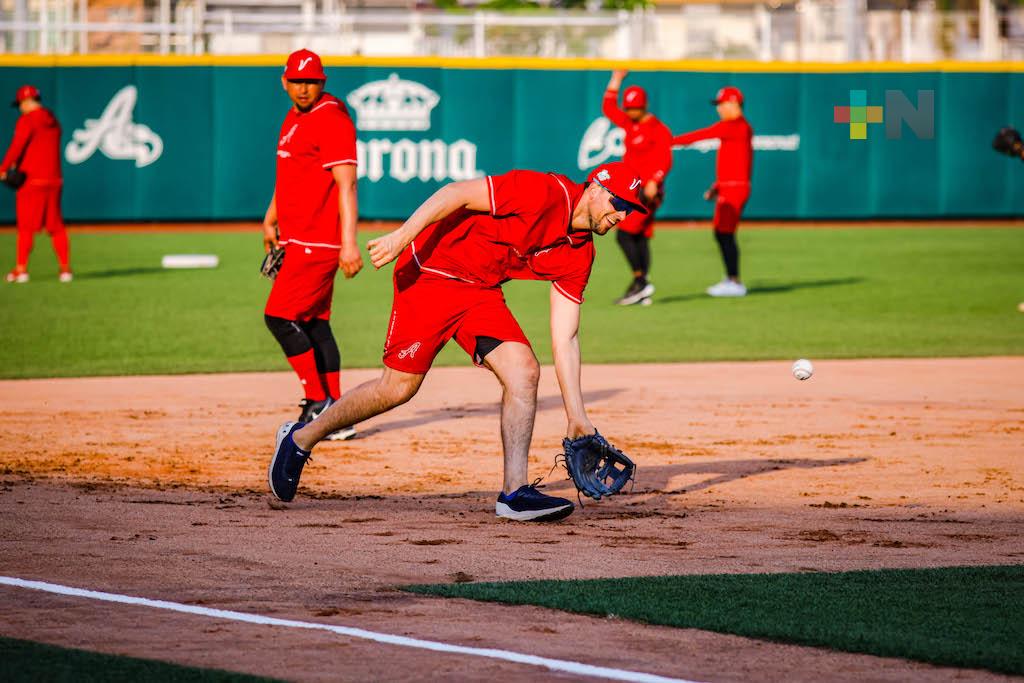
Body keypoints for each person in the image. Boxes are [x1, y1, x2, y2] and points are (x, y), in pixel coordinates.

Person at [268, 161, 649, 522]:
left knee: (524, 371)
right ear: (596, 188)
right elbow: (456, 193)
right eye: (619, 203)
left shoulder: (579, 254)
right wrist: (403, 237)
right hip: (430, 272)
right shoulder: (543, 191)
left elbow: (565, 337)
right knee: (398, 387)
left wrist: (577, 416)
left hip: (479, 291)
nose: (622, 216)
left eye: (630, 210)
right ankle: (300, 439)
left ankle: (514, 493)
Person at [262, 49, 363, 438]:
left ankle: (319, 402)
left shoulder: (331, 120)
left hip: (317, 242)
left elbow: (347, 184)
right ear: (284, 81)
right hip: (296, 236)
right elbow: (288, 175)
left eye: (312, 81)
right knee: (314, 322)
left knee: (279, 317)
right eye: (298, 81)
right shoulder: (294, 117)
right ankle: (337, 411)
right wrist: (272, 216)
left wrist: (348, 243)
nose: (304, 88)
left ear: (323, 82)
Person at [672, 86, 753, 298]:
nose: (719, 109)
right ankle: (731, 278)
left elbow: (701, 135)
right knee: (721, 233)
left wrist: (669, 141)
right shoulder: (736, 128)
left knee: (725, 234)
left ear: (734, 104)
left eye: (721, 104)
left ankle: (735, 282)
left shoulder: (736, 126)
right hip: (729, 186)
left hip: (735, 189)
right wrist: (716, 187)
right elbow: (735, 162)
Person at [602, 70, 674, 306]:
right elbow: (609, 108)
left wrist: (655, 180)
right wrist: (616, 80)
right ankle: (642, 285)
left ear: (644, 106)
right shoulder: (629, 122)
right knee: (640, 236)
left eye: (636, 108)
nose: (631, 112)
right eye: (629, 108)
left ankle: (640, 282)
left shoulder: (658, 128)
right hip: (633, 188)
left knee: (624, 234)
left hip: (648, 190)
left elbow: (665, 159)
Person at [1, 85, 70, 284]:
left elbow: (17, 146)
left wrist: (3, 168)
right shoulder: (52, 120)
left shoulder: (27, 120)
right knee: (56, 226)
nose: (20, 108)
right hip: (54, 179)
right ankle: (65, 270)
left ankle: (21, 270)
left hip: (31, 180)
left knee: (25, 227)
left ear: (26, 101)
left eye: (21, 104)